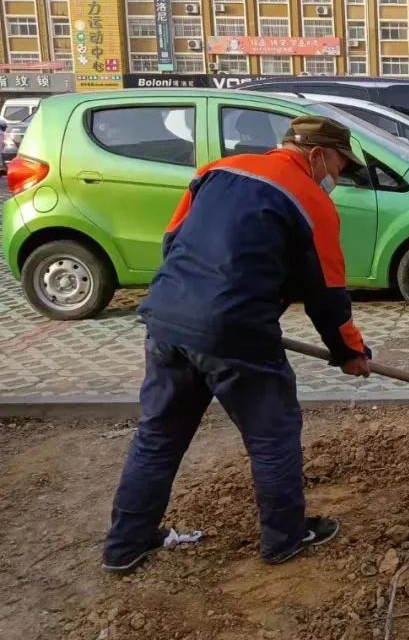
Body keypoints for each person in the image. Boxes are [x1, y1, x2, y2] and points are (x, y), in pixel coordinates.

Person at [103, 116, 372, 572]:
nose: (337, 179)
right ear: (316, 155)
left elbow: (172, 241)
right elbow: (327, 294)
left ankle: (125, 546)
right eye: (339, 168)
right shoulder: (311, 201)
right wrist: (350, 353)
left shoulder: (215, 171)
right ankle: (286, 538)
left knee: (158, 436)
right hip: (235, 331)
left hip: (167, 317)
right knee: (273, 436)